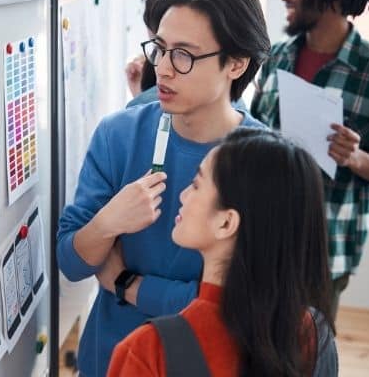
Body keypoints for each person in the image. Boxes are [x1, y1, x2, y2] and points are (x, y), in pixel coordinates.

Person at [57, 0, 270, 376]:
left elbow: (245, 306)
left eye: (185, 56)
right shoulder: (119, 133)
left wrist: (123, 282)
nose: (164, 68)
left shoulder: (262, 161)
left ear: (236, 63)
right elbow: (71, 261)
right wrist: (107, 223)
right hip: (109, 359)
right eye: (160, 49)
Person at [107, 128, 337, 377]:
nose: (183, 195)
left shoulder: (148, 351)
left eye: (196, 185)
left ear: (226, 223)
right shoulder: (314, 334)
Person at [250, 0, 369, 320]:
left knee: (310, 355)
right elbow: (251, 128)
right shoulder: (277, 56)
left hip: (326, 247)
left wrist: (356, 157)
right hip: (266, 233)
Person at [125, 0, 247, 111]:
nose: (162, 69)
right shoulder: (236, 104)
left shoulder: (140, 109)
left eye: (183, 53)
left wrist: (142, 101)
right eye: (160, 48)